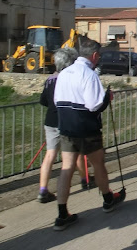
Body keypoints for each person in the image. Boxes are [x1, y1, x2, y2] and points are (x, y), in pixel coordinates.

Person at [53, 37, 124, 231]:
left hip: (66, 126)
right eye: (98, 56)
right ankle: (108, 198)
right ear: (94, 56)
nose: (99, 59)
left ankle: (62, 213)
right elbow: (94, 105)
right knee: (98, 163)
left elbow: (57, 100)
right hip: (86, 127)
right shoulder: (89, 74)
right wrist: (107, 98)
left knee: (66, 167)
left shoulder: (64, 73)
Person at [38, 47, 93, 203]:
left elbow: (43, 100)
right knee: (75, 152)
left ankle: (43, 189)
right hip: (67, 120)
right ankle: (84, 179)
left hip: (50, 120)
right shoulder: (69, 78)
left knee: (50, 155)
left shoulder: (50, 80)